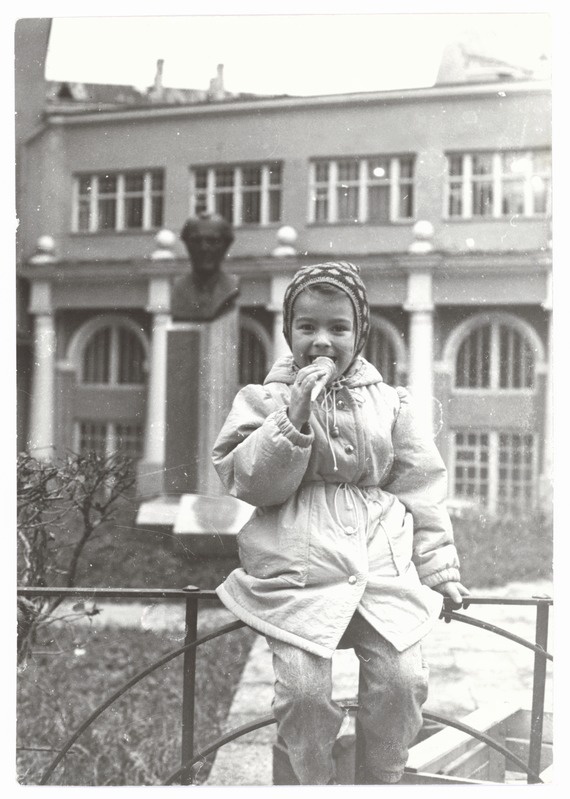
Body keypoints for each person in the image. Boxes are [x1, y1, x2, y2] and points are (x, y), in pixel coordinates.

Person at [212, 261, 469, 785]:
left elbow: (422, 489)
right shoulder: (261, 401)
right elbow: (249, 481)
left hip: (381, 571)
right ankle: (310, 784)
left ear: (361, 334)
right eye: (307, 328)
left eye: (339, 328)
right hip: (296, 577)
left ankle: (382, 781)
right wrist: (294, 417)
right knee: (303, 695)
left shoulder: (391, 403)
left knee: (402, 683)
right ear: (289, 333)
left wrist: (439, 570)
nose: (322, 342)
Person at [171, 212, 238, 322]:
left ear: (226, 246)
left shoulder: (233, 286)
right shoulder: (178, 288)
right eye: (196, 241)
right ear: (186, 245)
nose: (204, 248)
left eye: (213, 241)